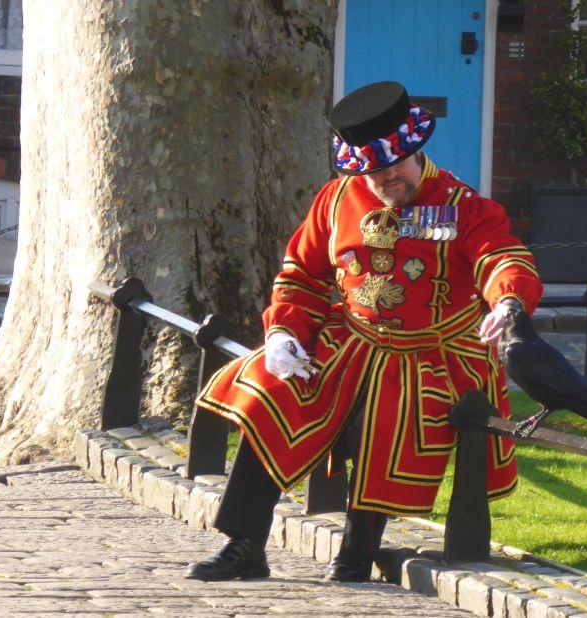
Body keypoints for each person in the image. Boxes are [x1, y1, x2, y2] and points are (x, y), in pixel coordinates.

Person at [184, 81, 542, 582]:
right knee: (271, 396)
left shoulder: (464, 206)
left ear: (417, 150)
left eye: (395, 163)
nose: (385, 176)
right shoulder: (336, 200)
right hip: (350, 336)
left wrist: (506, 299)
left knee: (388, 412)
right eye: (372, 169)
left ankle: (354, 556)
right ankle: (244, 544)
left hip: (433, 352)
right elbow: (302, 275)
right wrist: (284, 333)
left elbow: (500, 256)